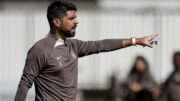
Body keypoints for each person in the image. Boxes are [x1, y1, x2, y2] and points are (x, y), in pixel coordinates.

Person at [14, 0, 158, 101]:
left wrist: (136, 41)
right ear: (56, 22)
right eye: (71, 18)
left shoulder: (73, 46)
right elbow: (25, 83)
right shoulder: (40, 49)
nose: (76, 21)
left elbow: (101, 45)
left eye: (76, 18)